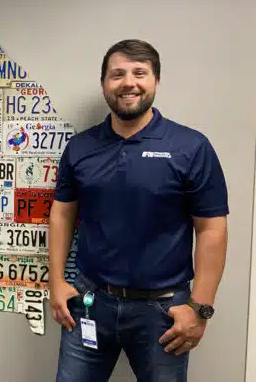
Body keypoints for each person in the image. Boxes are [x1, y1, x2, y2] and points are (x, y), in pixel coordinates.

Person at [49, 39, 228, 381]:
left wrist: (200, 308)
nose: (128, 82)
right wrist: (57, 282)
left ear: (155, 81)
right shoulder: (81, 147)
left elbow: (212, 229)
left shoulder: (191, 147)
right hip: (89, 303)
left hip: (162, 310)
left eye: (139, 73)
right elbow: (62, 213)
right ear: (104, 84)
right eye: (117, 74)